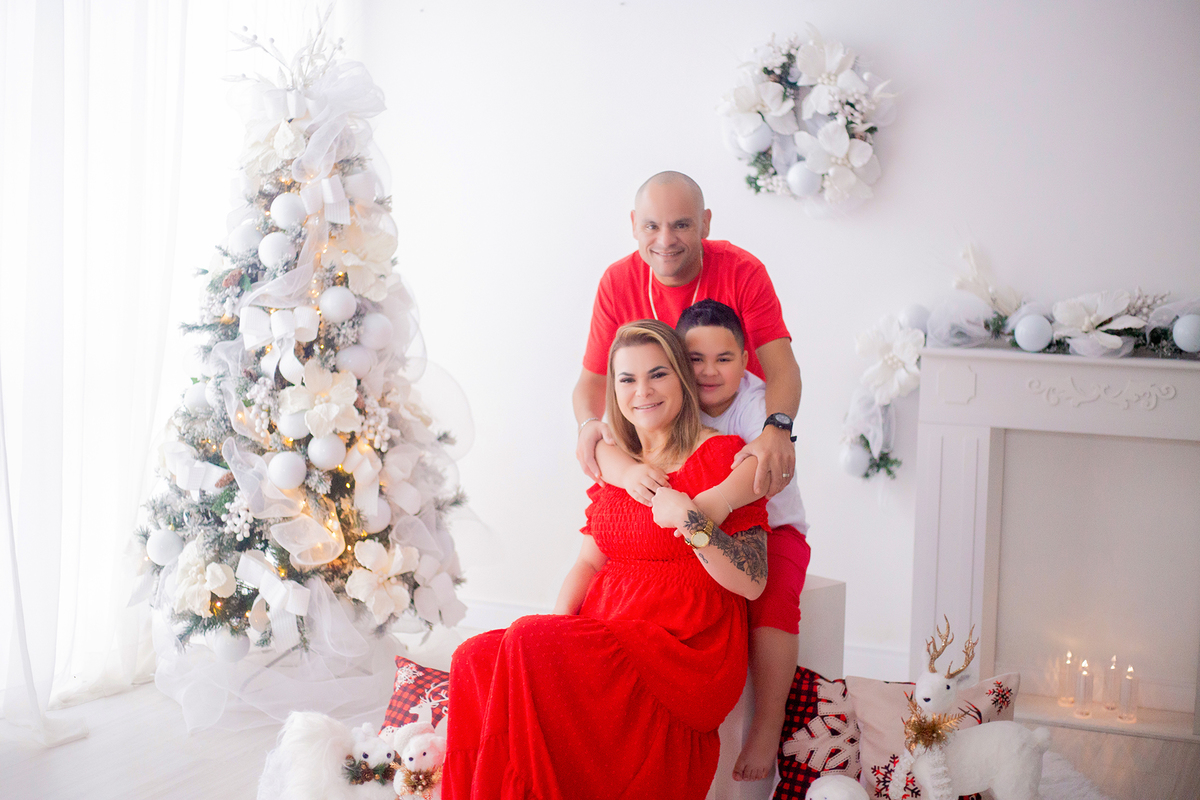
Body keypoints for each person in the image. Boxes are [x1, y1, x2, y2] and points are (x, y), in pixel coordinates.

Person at [443, 321, 770, 800]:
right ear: (614, 391)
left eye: (657, 374)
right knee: (474, 658)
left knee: (527, 639)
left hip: (682, 649)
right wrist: (554, 633)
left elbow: (753, 580)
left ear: (681, 378)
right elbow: (588, 565)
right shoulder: (619, 467)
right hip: (606, 633)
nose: (643, 391)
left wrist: (692, 522)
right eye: (627, 379)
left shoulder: (724, 455)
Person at [595, 299, 811, 782]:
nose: (709, 372)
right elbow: (604, 449)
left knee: (773, 605)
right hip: (700, 528)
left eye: (724, 359)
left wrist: (704, 507)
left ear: (746, 361)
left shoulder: (756, 406)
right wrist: (628, 472)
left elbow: (758, 471)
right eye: (696, 360)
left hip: (775, 524)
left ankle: (768, 721)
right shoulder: (664, 407)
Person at [572, 171, 802, 501]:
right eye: (652, 226)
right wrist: (587, 424)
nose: (665, 240)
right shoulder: (617, 282)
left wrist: (777, 429)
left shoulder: (741, 271)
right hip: (663, 449)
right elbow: (592, 381)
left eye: (681, 225)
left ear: (705, 223)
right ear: (634, 224)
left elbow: (783, 368)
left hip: (741, 432)